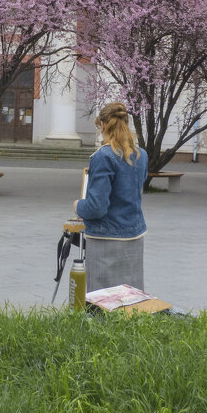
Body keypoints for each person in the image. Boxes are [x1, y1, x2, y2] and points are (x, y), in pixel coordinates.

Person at [73, 102, 148, 293]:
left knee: (103, 302)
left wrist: (78, 206)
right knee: (132, 301)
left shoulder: (104, 156)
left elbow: (97, 207)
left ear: (104, 125)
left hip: (105, 240)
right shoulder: (142, 155)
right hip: (134, 235)